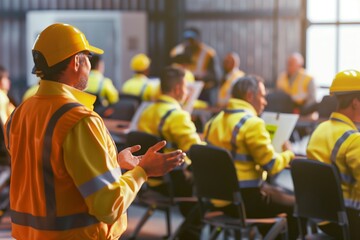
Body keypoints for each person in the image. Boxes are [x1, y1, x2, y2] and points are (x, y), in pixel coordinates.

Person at [4, 23, 186, 240]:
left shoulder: (19, 113)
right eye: (88, 57)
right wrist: (143, 171)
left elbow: (51, 173)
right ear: (76, 61)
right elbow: (107, 207)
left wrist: (112, 164)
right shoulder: (79, 120)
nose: (90, 65)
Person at [204, 75, 297, 238]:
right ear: (249, 96)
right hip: (245, 202)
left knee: (275, 195)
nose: (265, 101)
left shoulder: (213, 121)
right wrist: (289, 153)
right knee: (297, 206)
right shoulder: (252, 123)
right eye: (262, 95)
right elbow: (272, 165)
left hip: (217, 200)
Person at [306, 69, 360, 239]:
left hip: (322, 219)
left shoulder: (320, 130)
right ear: (355, 103)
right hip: (349, 222)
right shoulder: (352, 139)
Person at [170, 27, 222, 106]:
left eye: (192, 40)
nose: (189, 43)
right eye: (187, 40)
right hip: (182, 92)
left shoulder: (208, 54)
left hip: (202, 93)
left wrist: (201, 78)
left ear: (199, 39)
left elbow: (216, 77)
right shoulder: (177, 51)